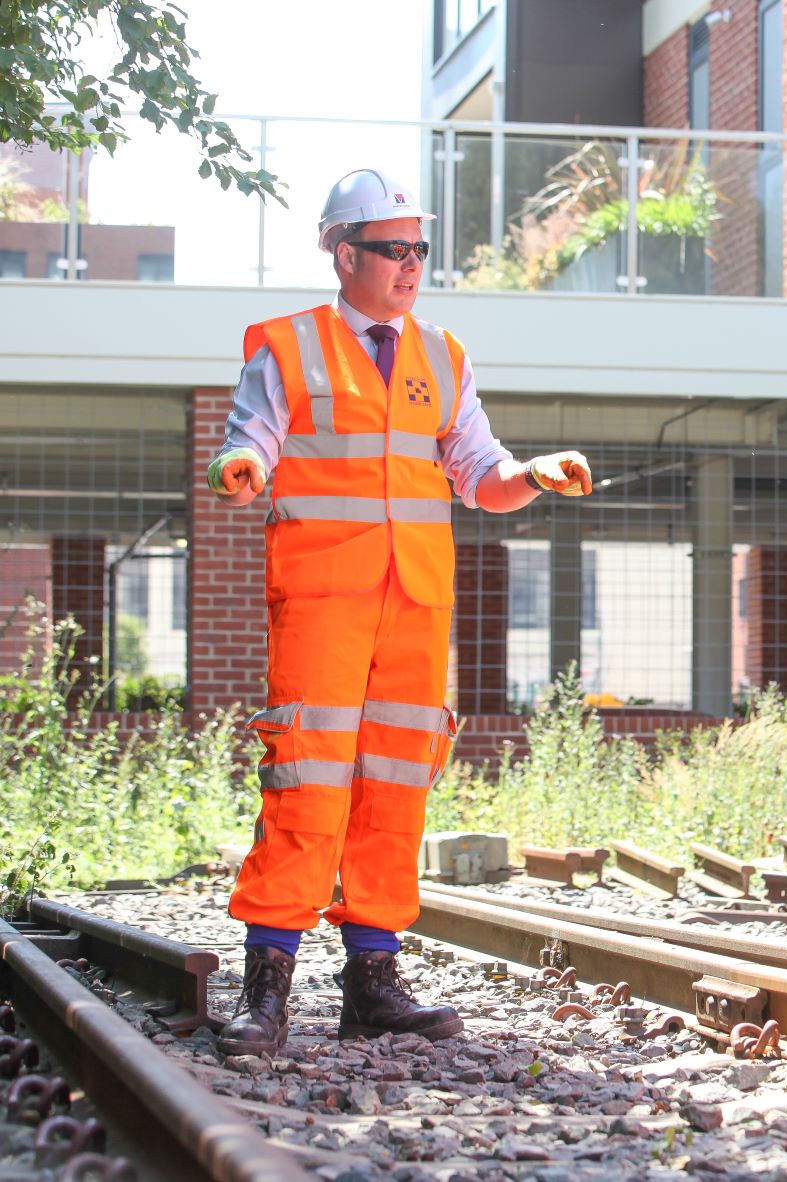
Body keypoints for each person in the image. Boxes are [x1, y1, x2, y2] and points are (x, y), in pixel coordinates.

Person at [205, 169, 596, 1057]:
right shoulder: (288, 347)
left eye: (420, 248)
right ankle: (266, 985)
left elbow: (480, 475)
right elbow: (250, 436)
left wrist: (533, 474)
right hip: (323, 602)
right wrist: (244, 467)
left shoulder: (442, 356)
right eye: (394, 248)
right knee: (305, 782)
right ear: (345, 255)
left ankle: (372, 984)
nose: (412, 263)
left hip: (413, 608)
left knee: (394, 788)